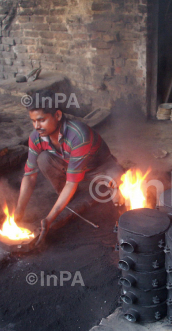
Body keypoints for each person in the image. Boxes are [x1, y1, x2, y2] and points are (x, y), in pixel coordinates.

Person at [15, 90, 124, 244]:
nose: (37, 126)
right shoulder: (36, 137)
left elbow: (71, 182)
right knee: (44, 159)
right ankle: (67, 196)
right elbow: (29, 176)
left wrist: (49, 219)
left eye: (41, 120)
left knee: (121, 183)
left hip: (98, 168)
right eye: (33, 121)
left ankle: (121, 219)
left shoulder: (78, 134)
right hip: (70, 166)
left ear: (58, 116)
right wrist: (18, 211)